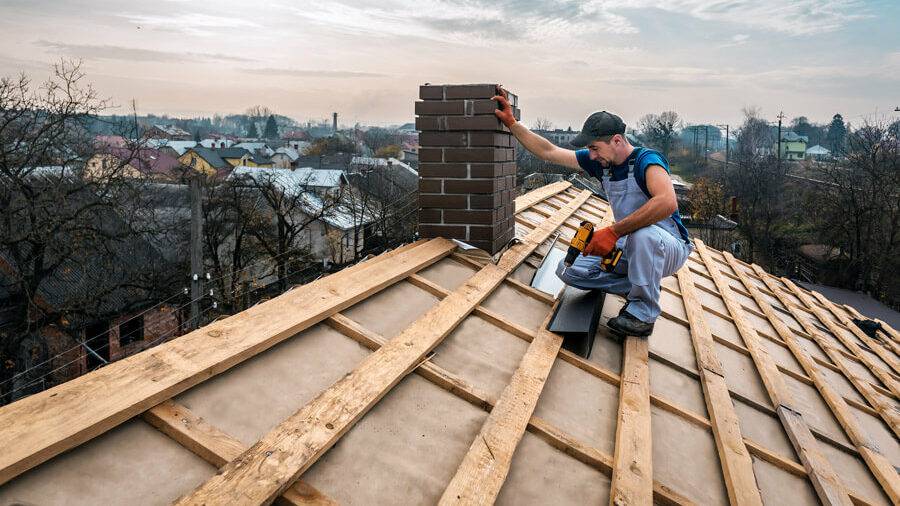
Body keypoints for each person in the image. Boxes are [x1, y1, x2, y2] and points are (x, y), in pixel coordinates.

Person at [493, 88, 691, 337]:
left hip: (667, 245)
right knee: (571, 271)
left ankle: (643, 313)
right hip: (631, 244)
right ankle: (641, 283)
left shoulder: (647, 161)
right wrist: (512, 123)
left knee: (645, 237)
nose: (592, 155)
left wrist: (613, 232)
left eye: (595, 148)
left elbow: (667, 202)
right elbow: (549, 152)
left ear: (617, 141)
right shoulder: (602, 163)